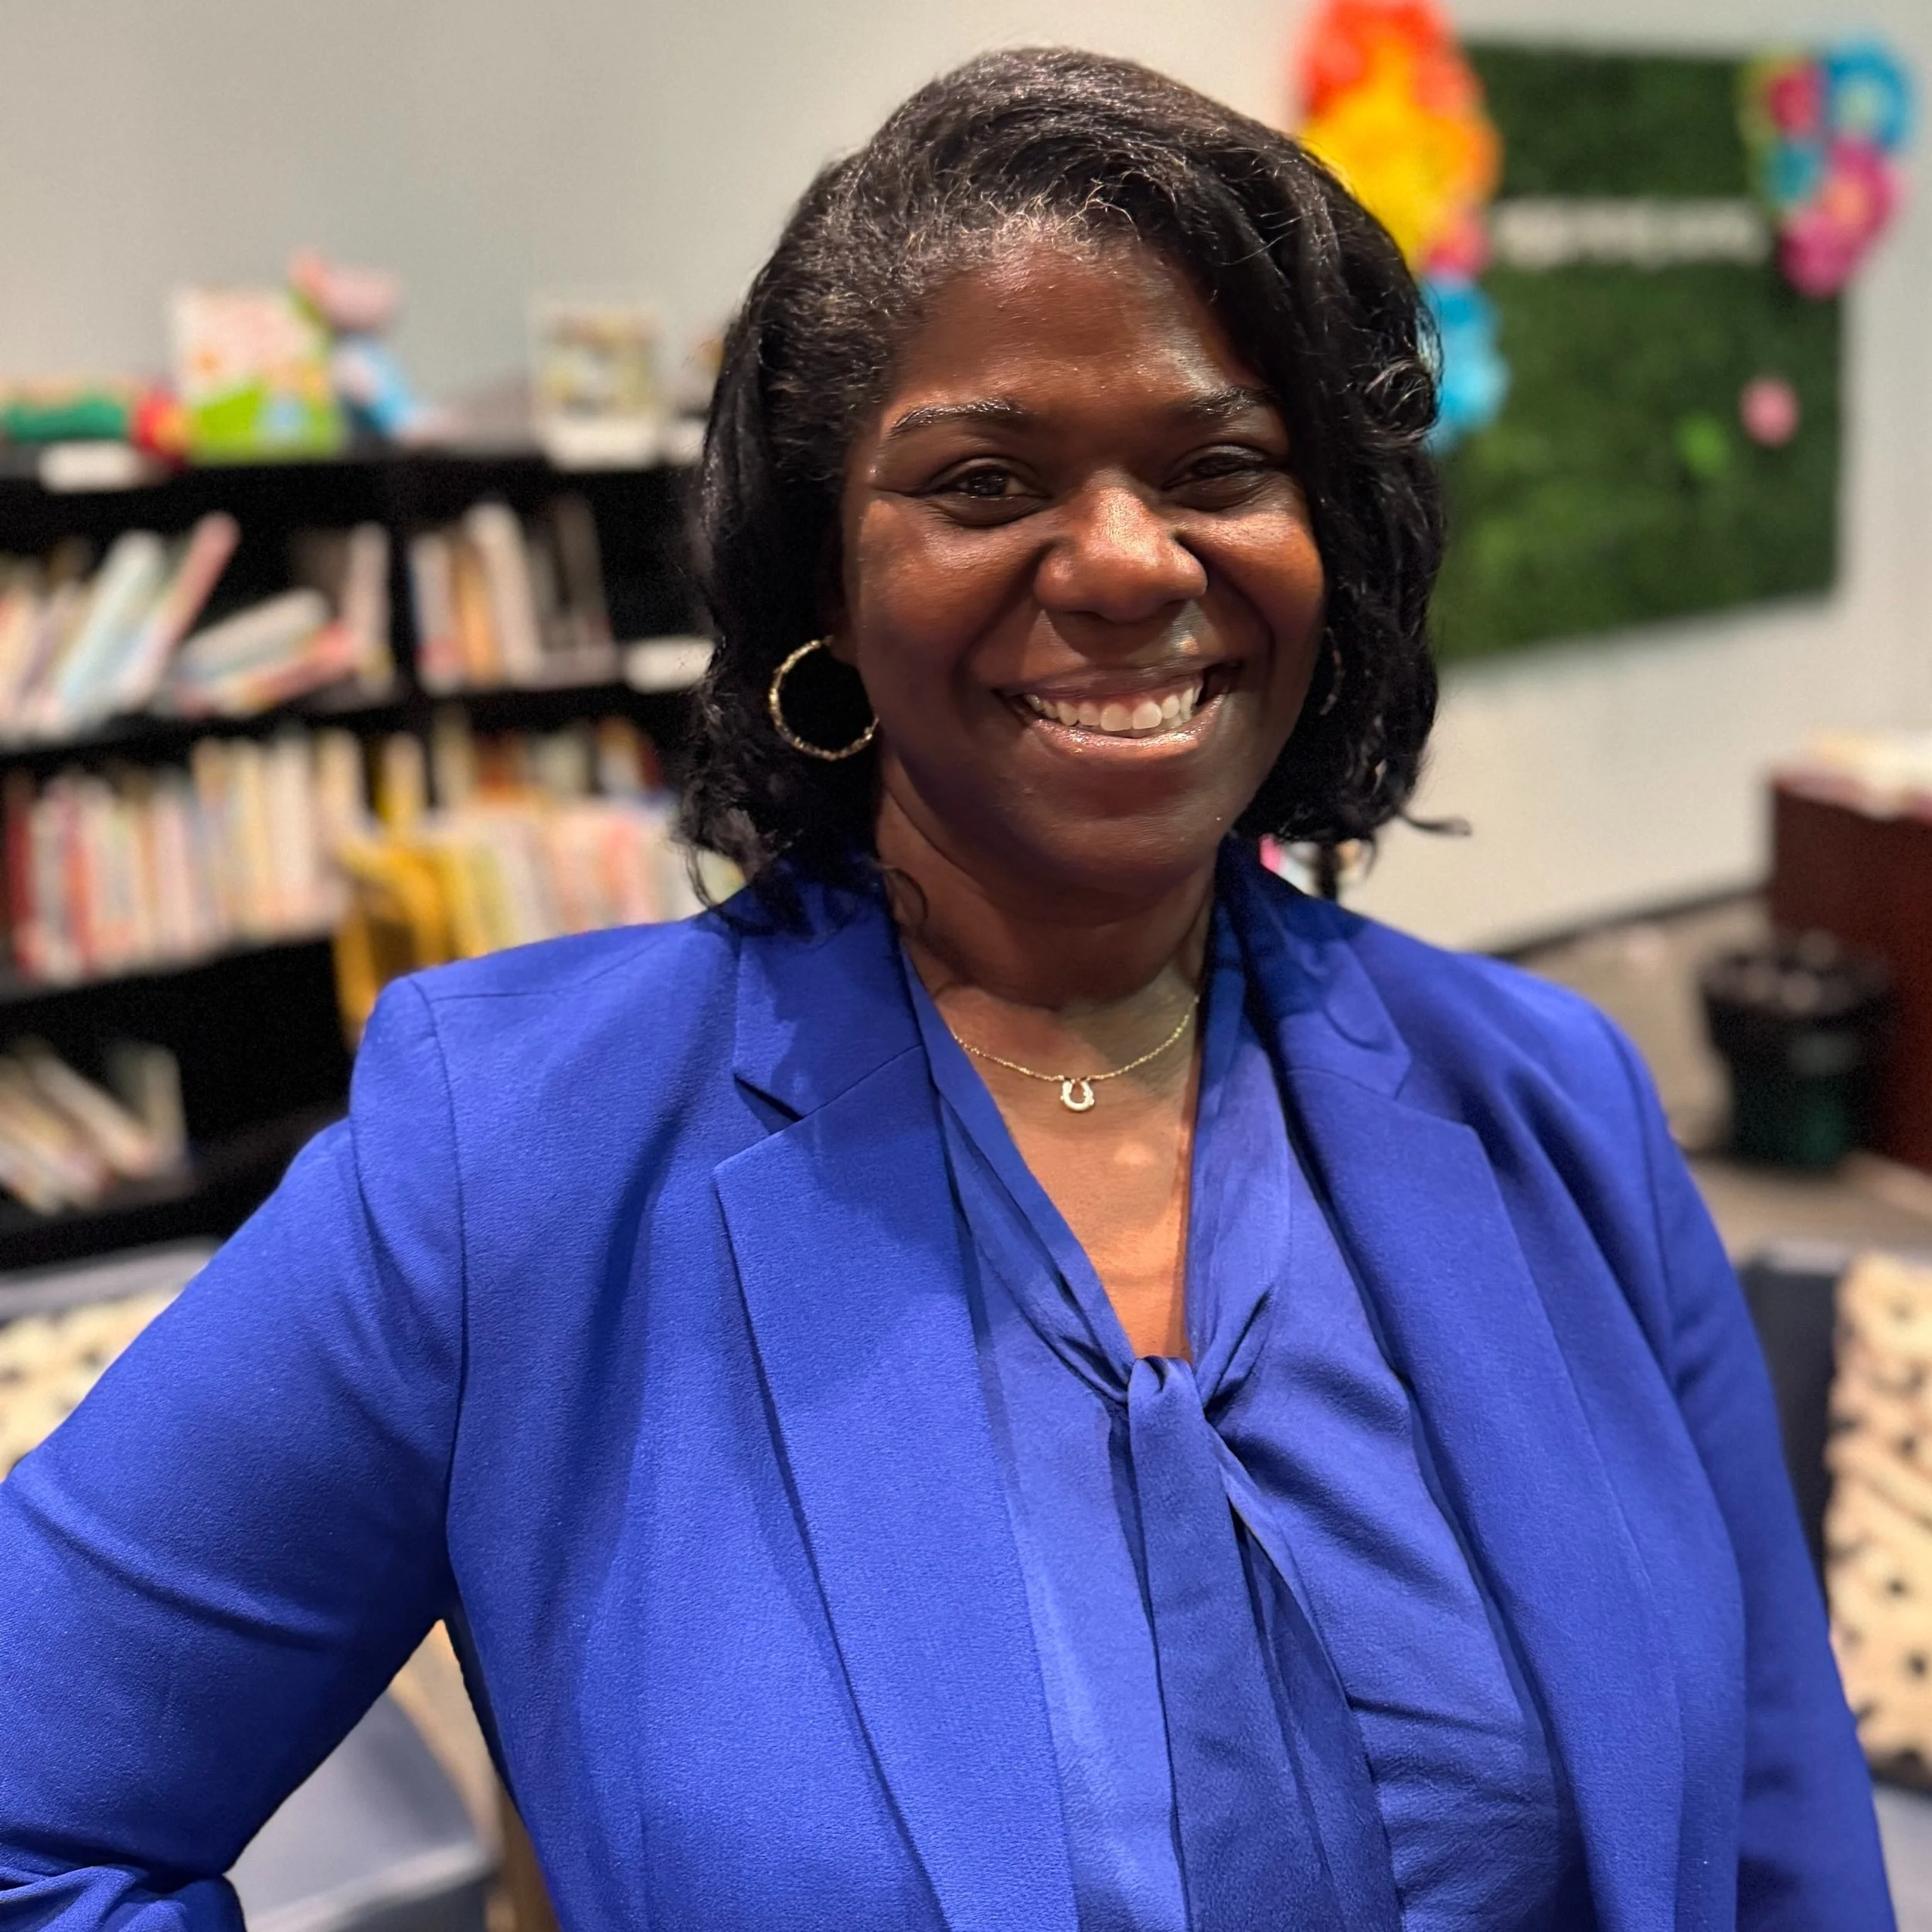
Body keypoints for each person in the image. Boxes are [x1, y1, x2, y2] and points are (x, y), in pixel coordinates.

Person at [0, 47, 1893, 1932]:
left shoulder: (1551, 1098)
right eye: (984, 480)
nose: (1126, 561)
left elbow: (1769, 1828)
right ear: (822, 576)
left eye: (1217, 466)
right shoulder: (514, 1157)